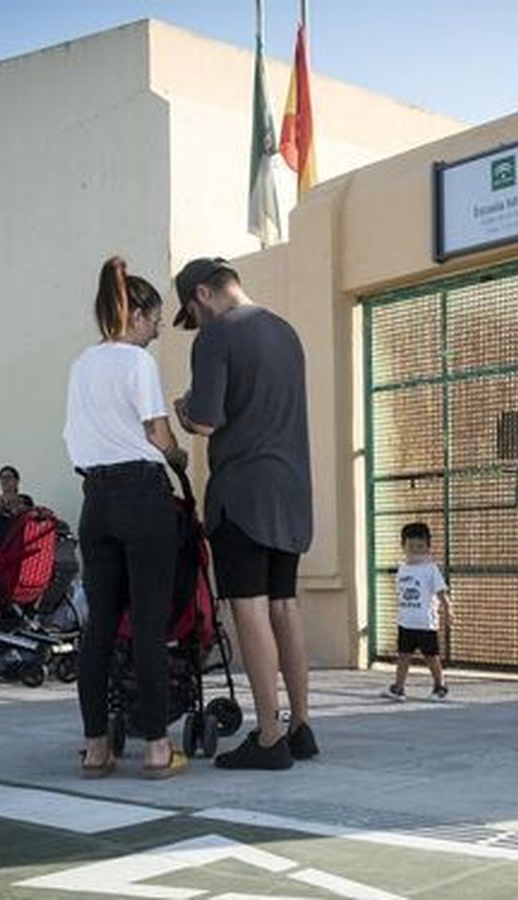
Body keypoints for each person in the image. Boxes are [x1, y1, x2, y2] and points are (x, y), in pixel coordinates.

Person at [172, 256, 315, 770]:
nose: (196, 322)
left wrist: (185, 408)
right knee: (285, 605)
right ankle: (301, 724)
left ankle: (270, 736)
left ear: (203, 295)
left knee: (249, 609)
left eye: (192, 311)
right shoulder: (286, 332)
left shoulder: (216, 337)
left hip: (243, 493)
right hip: (292, 491)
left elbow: (207, 421)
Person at [66, 256, 189, 780]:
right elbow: (157, 434)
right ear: (134, 314)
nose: (159, 329)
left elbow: (74, 443)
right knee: (147, 625)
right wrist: (179, 457)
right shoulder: (138, 364)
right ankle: (157, 747)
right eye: (156, 318)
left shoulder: (81, 364)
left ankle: (96, 748)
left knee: (98, 631)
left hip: (96, 500)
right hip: (142, 495)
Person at [384, 522, 453, 702]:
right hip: (406, 623)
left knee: (431, 657)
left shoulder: (430, 569)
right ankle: (399, 688)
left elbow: (441, 593)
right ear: (403, 546)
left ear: (428, 547)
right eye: (411, 546)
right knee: (403, 656)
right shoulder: (402, 569)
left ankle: (440, 686)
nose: (416, 551)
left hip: (426, 624)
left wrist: (448, 610)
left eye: (421, 547)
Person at [0, 465, 33, 548]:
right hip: (1, 545)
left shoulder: (25, 500)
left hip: (21, 542)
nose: (5, 481)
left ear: (17, 481)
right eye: (2, 478)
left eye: (8, 477)